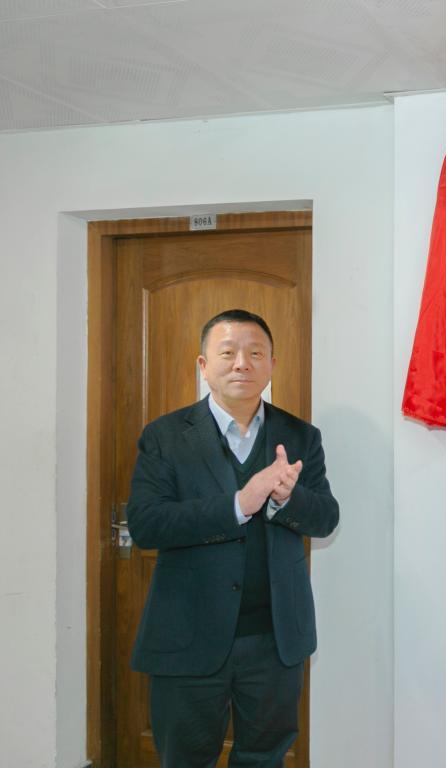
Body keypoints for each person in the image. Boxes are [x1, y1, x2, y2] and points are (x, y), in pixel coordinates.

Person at [126, 308, 339, 767]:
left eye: (255, 353)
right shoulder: (164, 436)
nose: (242, 363)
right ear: (204, 366)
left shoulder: (300, 436)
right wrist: (240, 503)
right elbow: (146, 524)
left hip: (275, 640)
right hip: (187, 636)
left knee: (264, 758)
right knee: (185, 758)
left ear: (271, 364)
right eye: (227, 353)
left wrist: (287, 498)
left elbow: (326, 518)